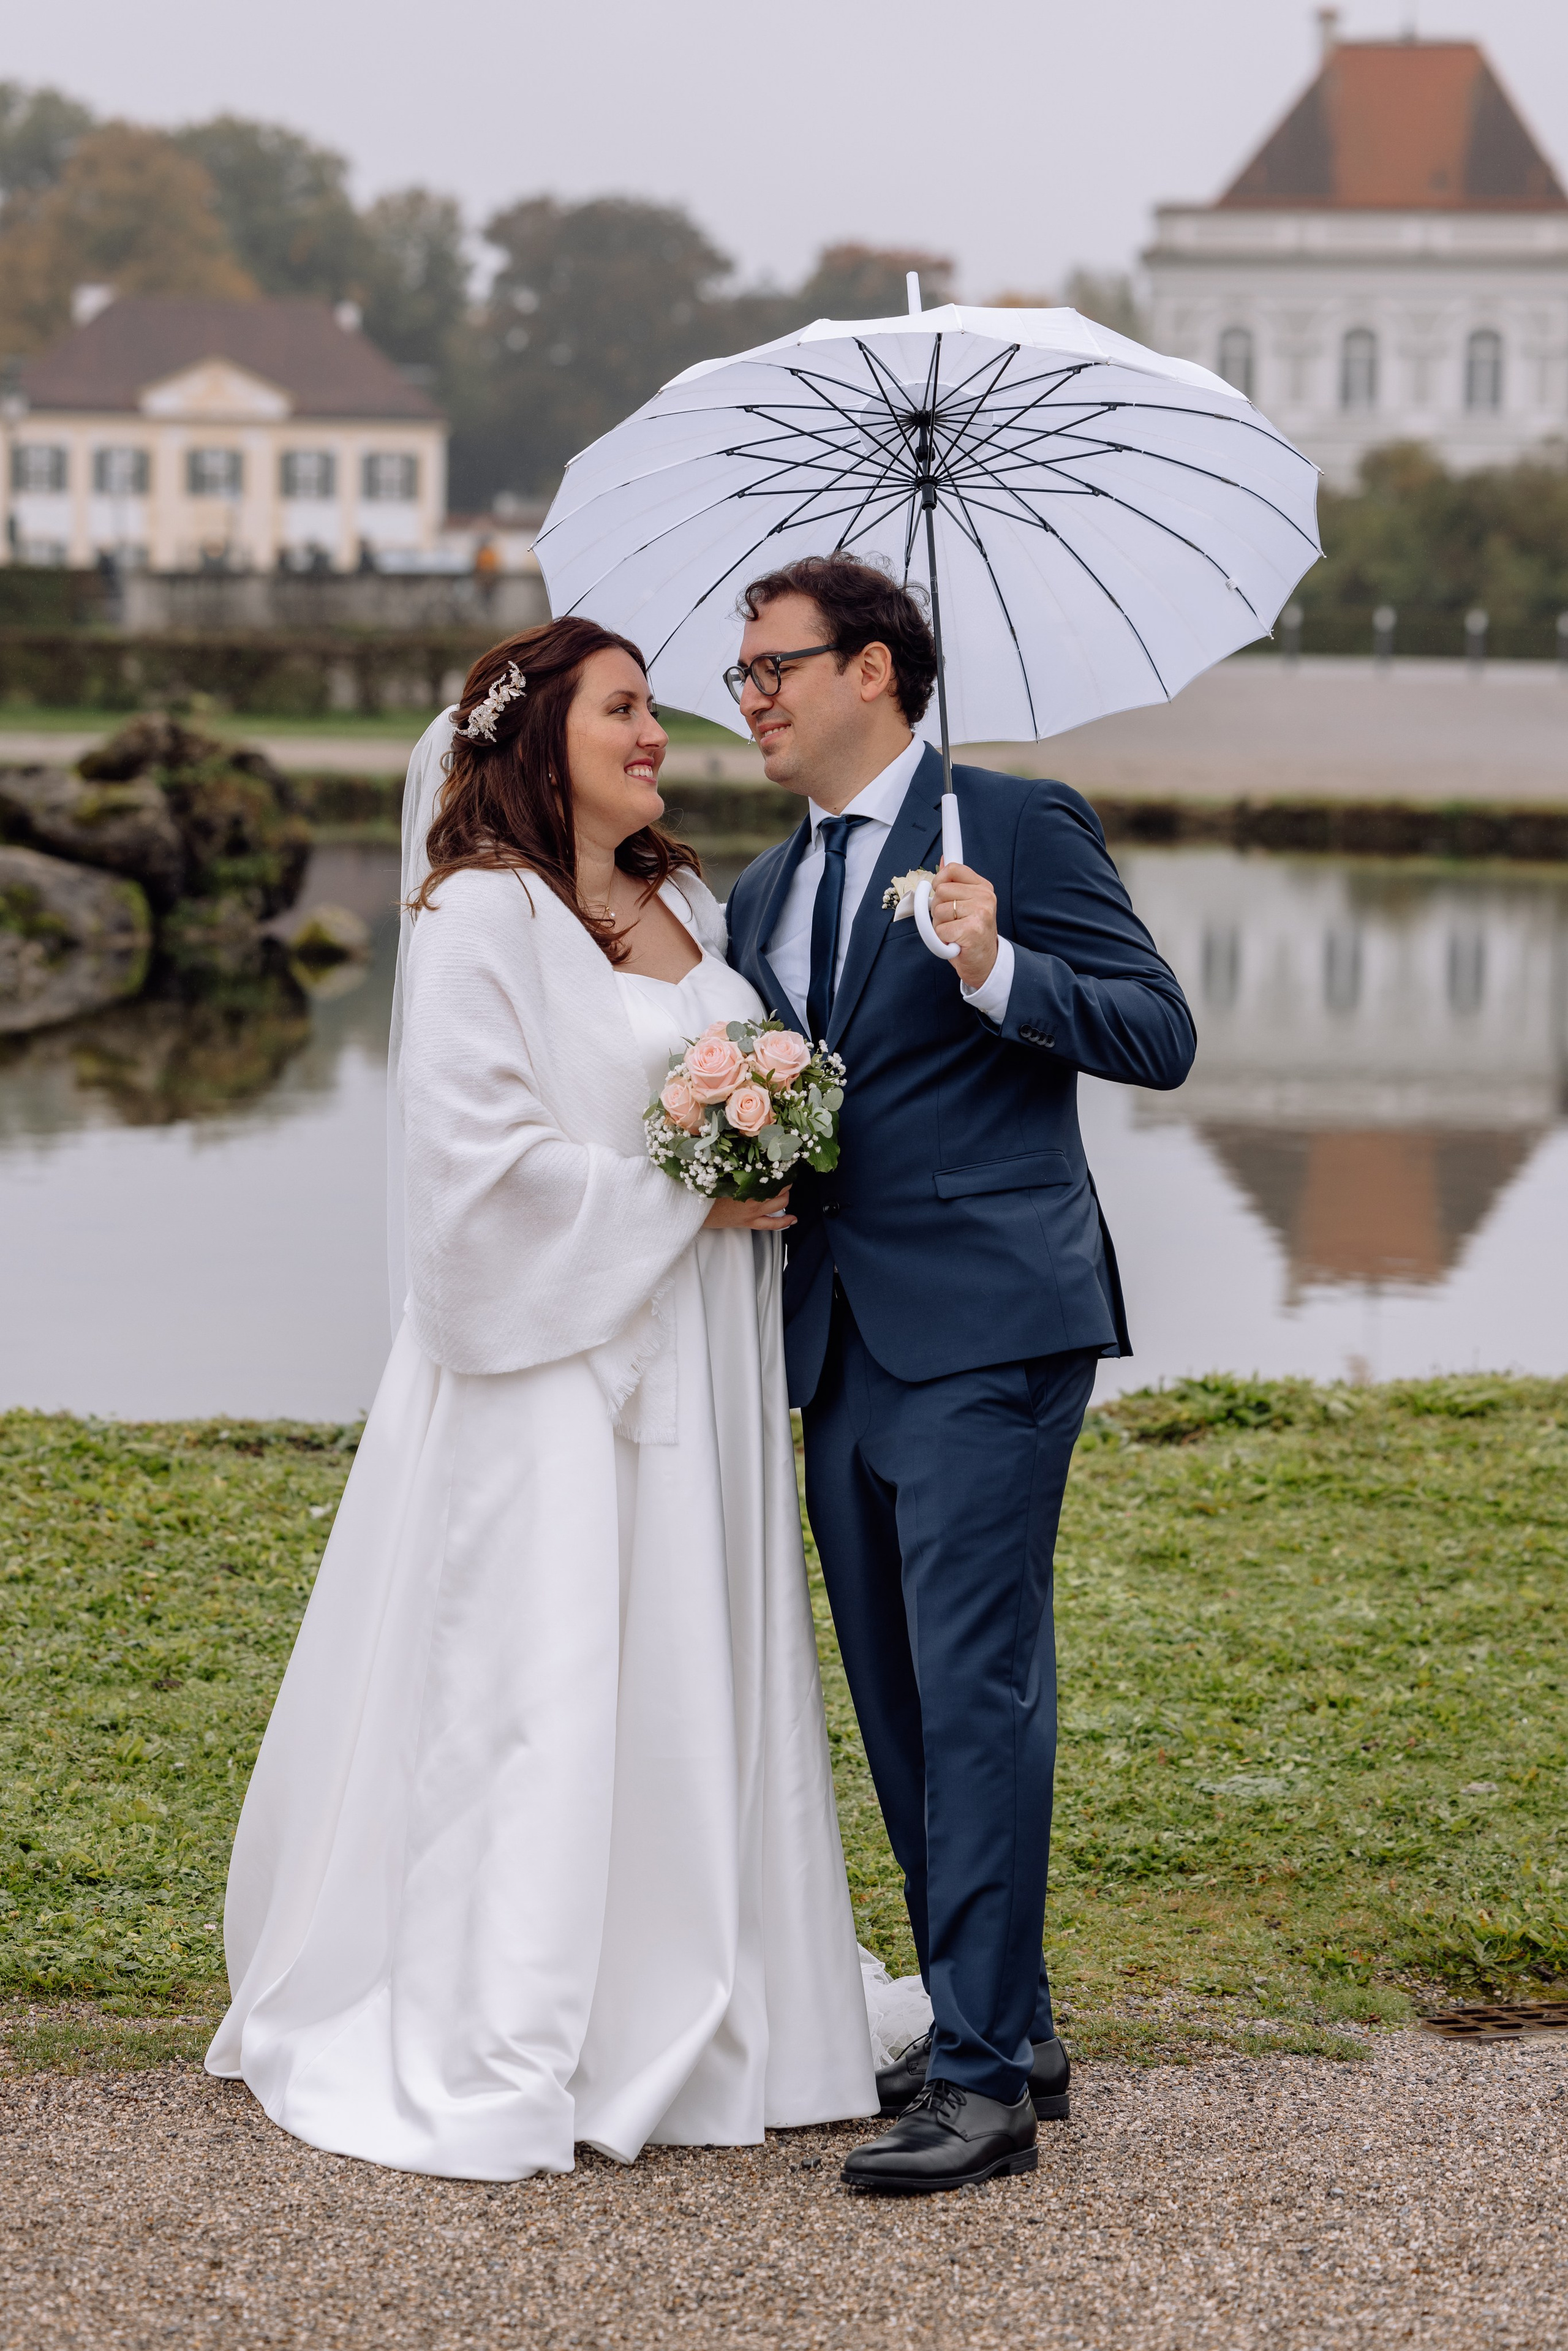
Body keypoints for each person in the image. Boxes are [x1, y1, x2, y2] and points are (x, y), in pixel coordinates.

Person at [206, 617, 881, 2179]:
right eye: (621, 710)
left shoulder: (682, 897)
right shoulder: (476, 914)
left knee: (694, 1651)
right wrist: (689, 1194)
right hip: (552, 1376)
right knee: (551, 1674)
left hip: (701, 1355)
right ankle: (530, 2013)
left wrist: (771, 1136)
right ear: (537, 739)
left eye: (654, 709)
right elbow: (474, 1183)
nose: (657, 735)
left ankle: (729, 1999)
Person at [725, 556, 1196, 2194]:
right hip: (834, 1334)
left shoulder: (1015, 822)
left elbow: (1156, 1031)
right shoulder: (762, 890)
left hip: (993, 1324)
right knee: (899, 1695)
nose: (750, 696)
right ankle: (1006, 2019)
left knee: (974, 1687)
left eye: (775, 666)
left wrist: (997, 967)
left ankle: (982, 2084)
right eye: (740, 674)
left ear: (872, 668)